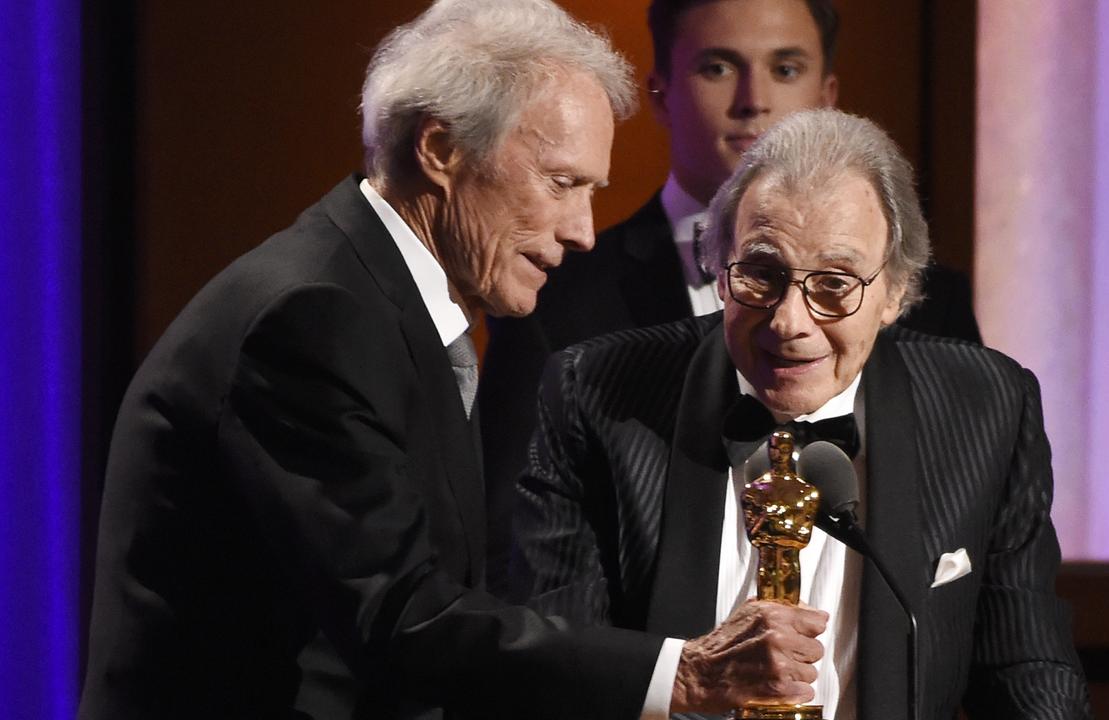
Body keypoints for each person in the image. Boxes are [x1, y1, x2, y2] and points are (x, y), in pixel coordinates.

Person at [77, 2, 829, 718]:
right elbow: (402, 618)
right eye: (562, 184)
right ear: (439, 149)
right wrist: (681, 673)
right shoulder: (312, 317)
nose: (583, 232)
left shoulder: (382, 300)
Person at [511, 109, 1091, 718]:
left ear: (895, 292)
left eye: (835, 284)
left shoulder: (986, 407)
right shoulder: (598, 395)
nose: (790, 322)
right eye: (763, 274)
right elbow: (557, 667)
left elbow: (1026, 662)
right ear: (719, 269)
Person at [479, 0, 981, 593]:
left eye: (786, 69)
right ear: (661, 92)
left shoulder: (934, 302)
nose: (753, 100)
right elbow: (513, 555)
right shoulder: (555, 298)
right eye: (717, 67)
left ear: (827, 94)